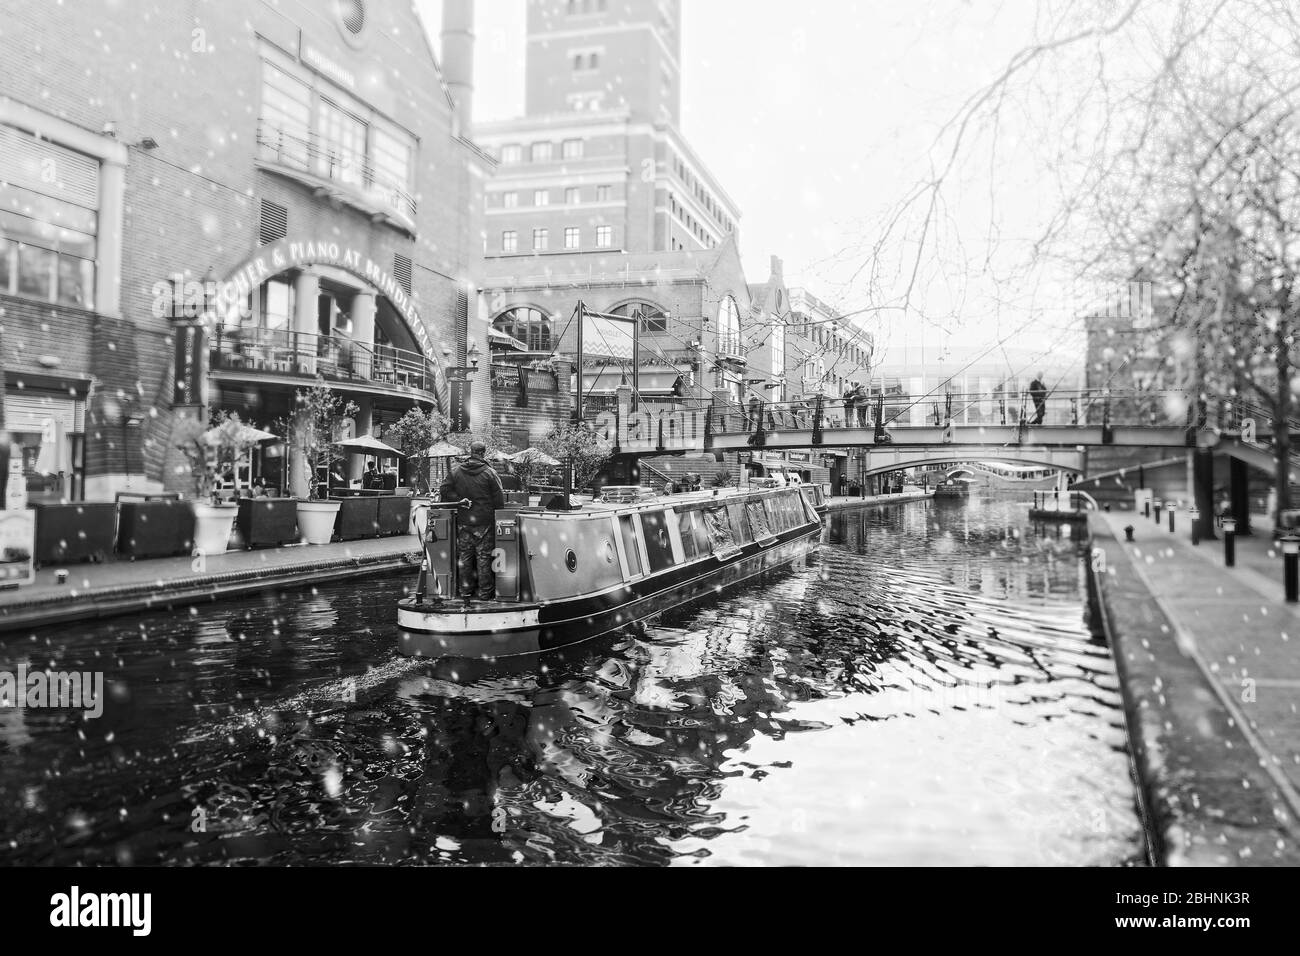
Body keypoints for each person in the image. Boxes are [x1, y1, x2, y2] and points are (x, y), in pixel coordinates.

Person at [440, 440, 506, 601]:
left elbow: (444, 489)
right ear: (483, 453)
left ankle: (465, 591)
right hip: (484, 522)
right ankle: (485, 593)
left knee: (465, 556)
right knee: (483, 557)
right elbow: (499, 500)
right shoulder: (490, 473)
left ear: (471, 451)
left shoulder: (456, 471)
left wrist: (460, 499)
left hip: (464, 521)